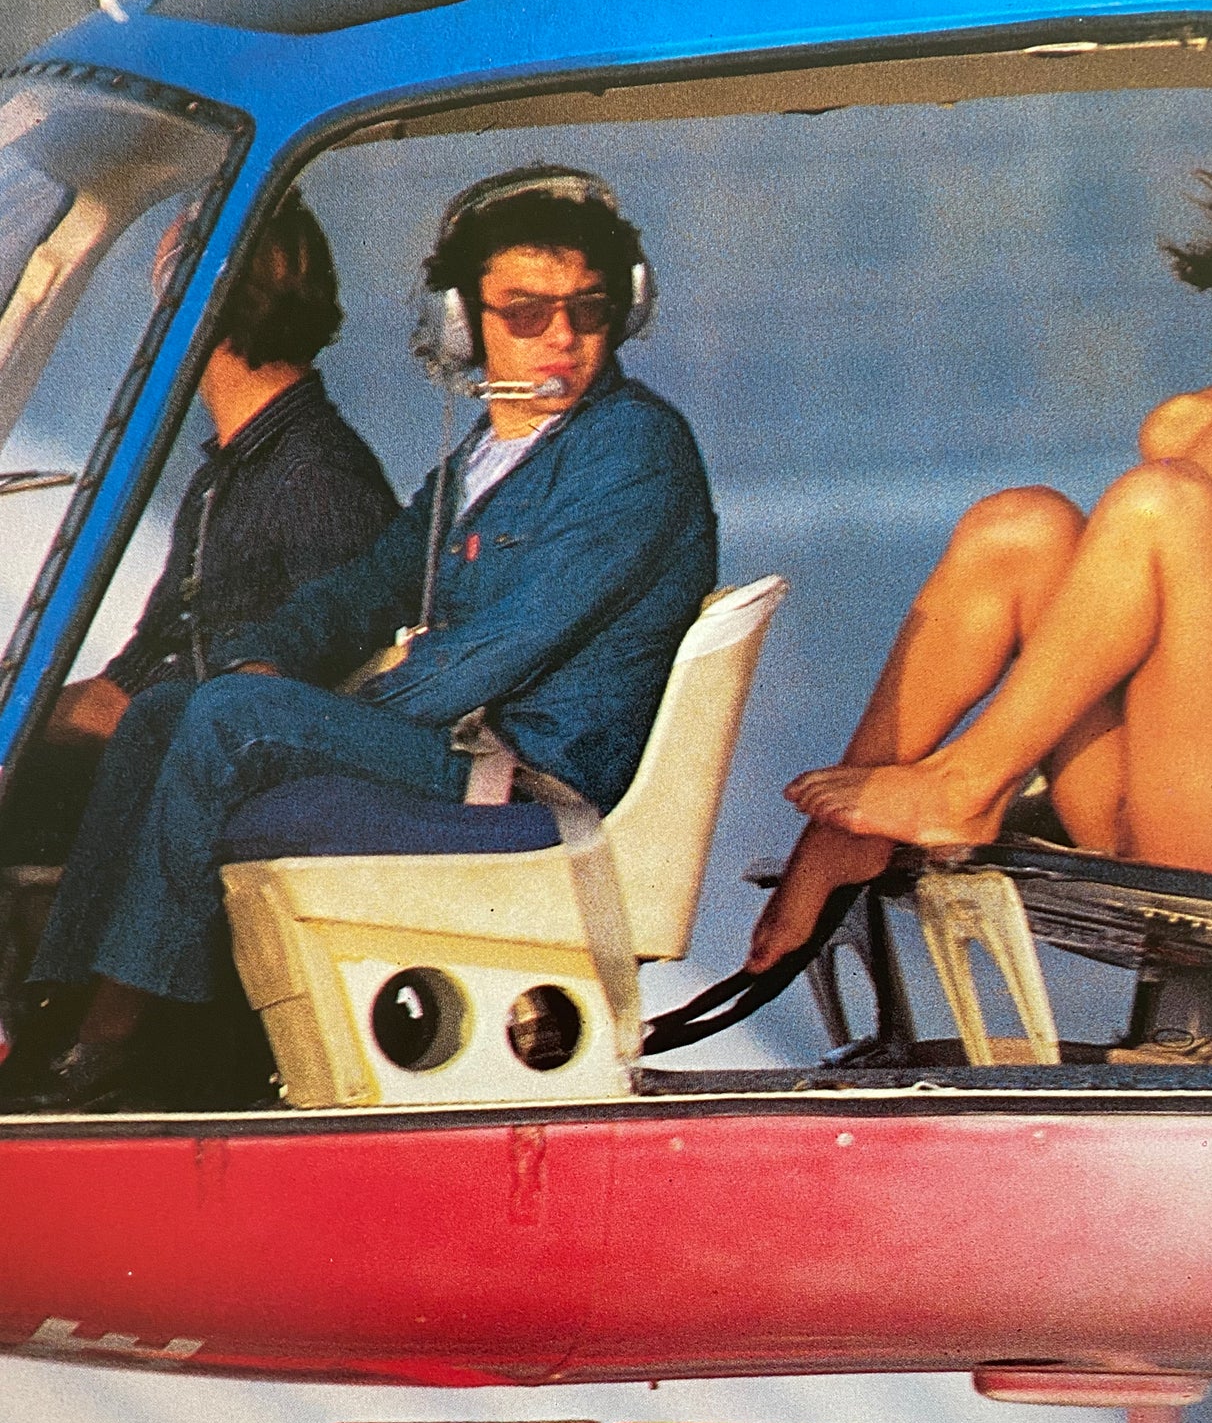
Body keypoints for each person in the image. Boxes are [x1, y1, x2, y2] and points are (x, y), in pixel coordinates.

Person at [18, 166, 716, 1110]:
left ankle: (117, 1044)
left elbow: (501, 648)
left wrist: (298, 709)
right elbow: (364, 588)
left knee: (226, 718)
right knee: (170, 712)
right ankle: (58, 1006)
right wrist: (267, 656)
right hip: (465, 748)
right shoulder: (487, 454)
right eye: (525, 312)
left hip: (531, 775)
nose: (560, 336)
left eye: (587, 310)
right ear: (463, 323)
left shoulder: (631, 450)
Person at [749, 146, 1212, 973]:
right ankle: (836, 838)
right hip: (1123, 800)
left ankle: (967, 783)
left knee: (1162, 501)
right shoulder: (1182, 426)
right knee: (1019, 523)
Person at [0, 188, 398, 863]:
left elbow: (312, 701)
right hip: (158, 753)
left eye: (165, 289)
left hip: (199, 791)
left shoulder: (316, 476)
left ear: (206, 305)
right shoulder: (228, 470)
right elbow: (140, 672)